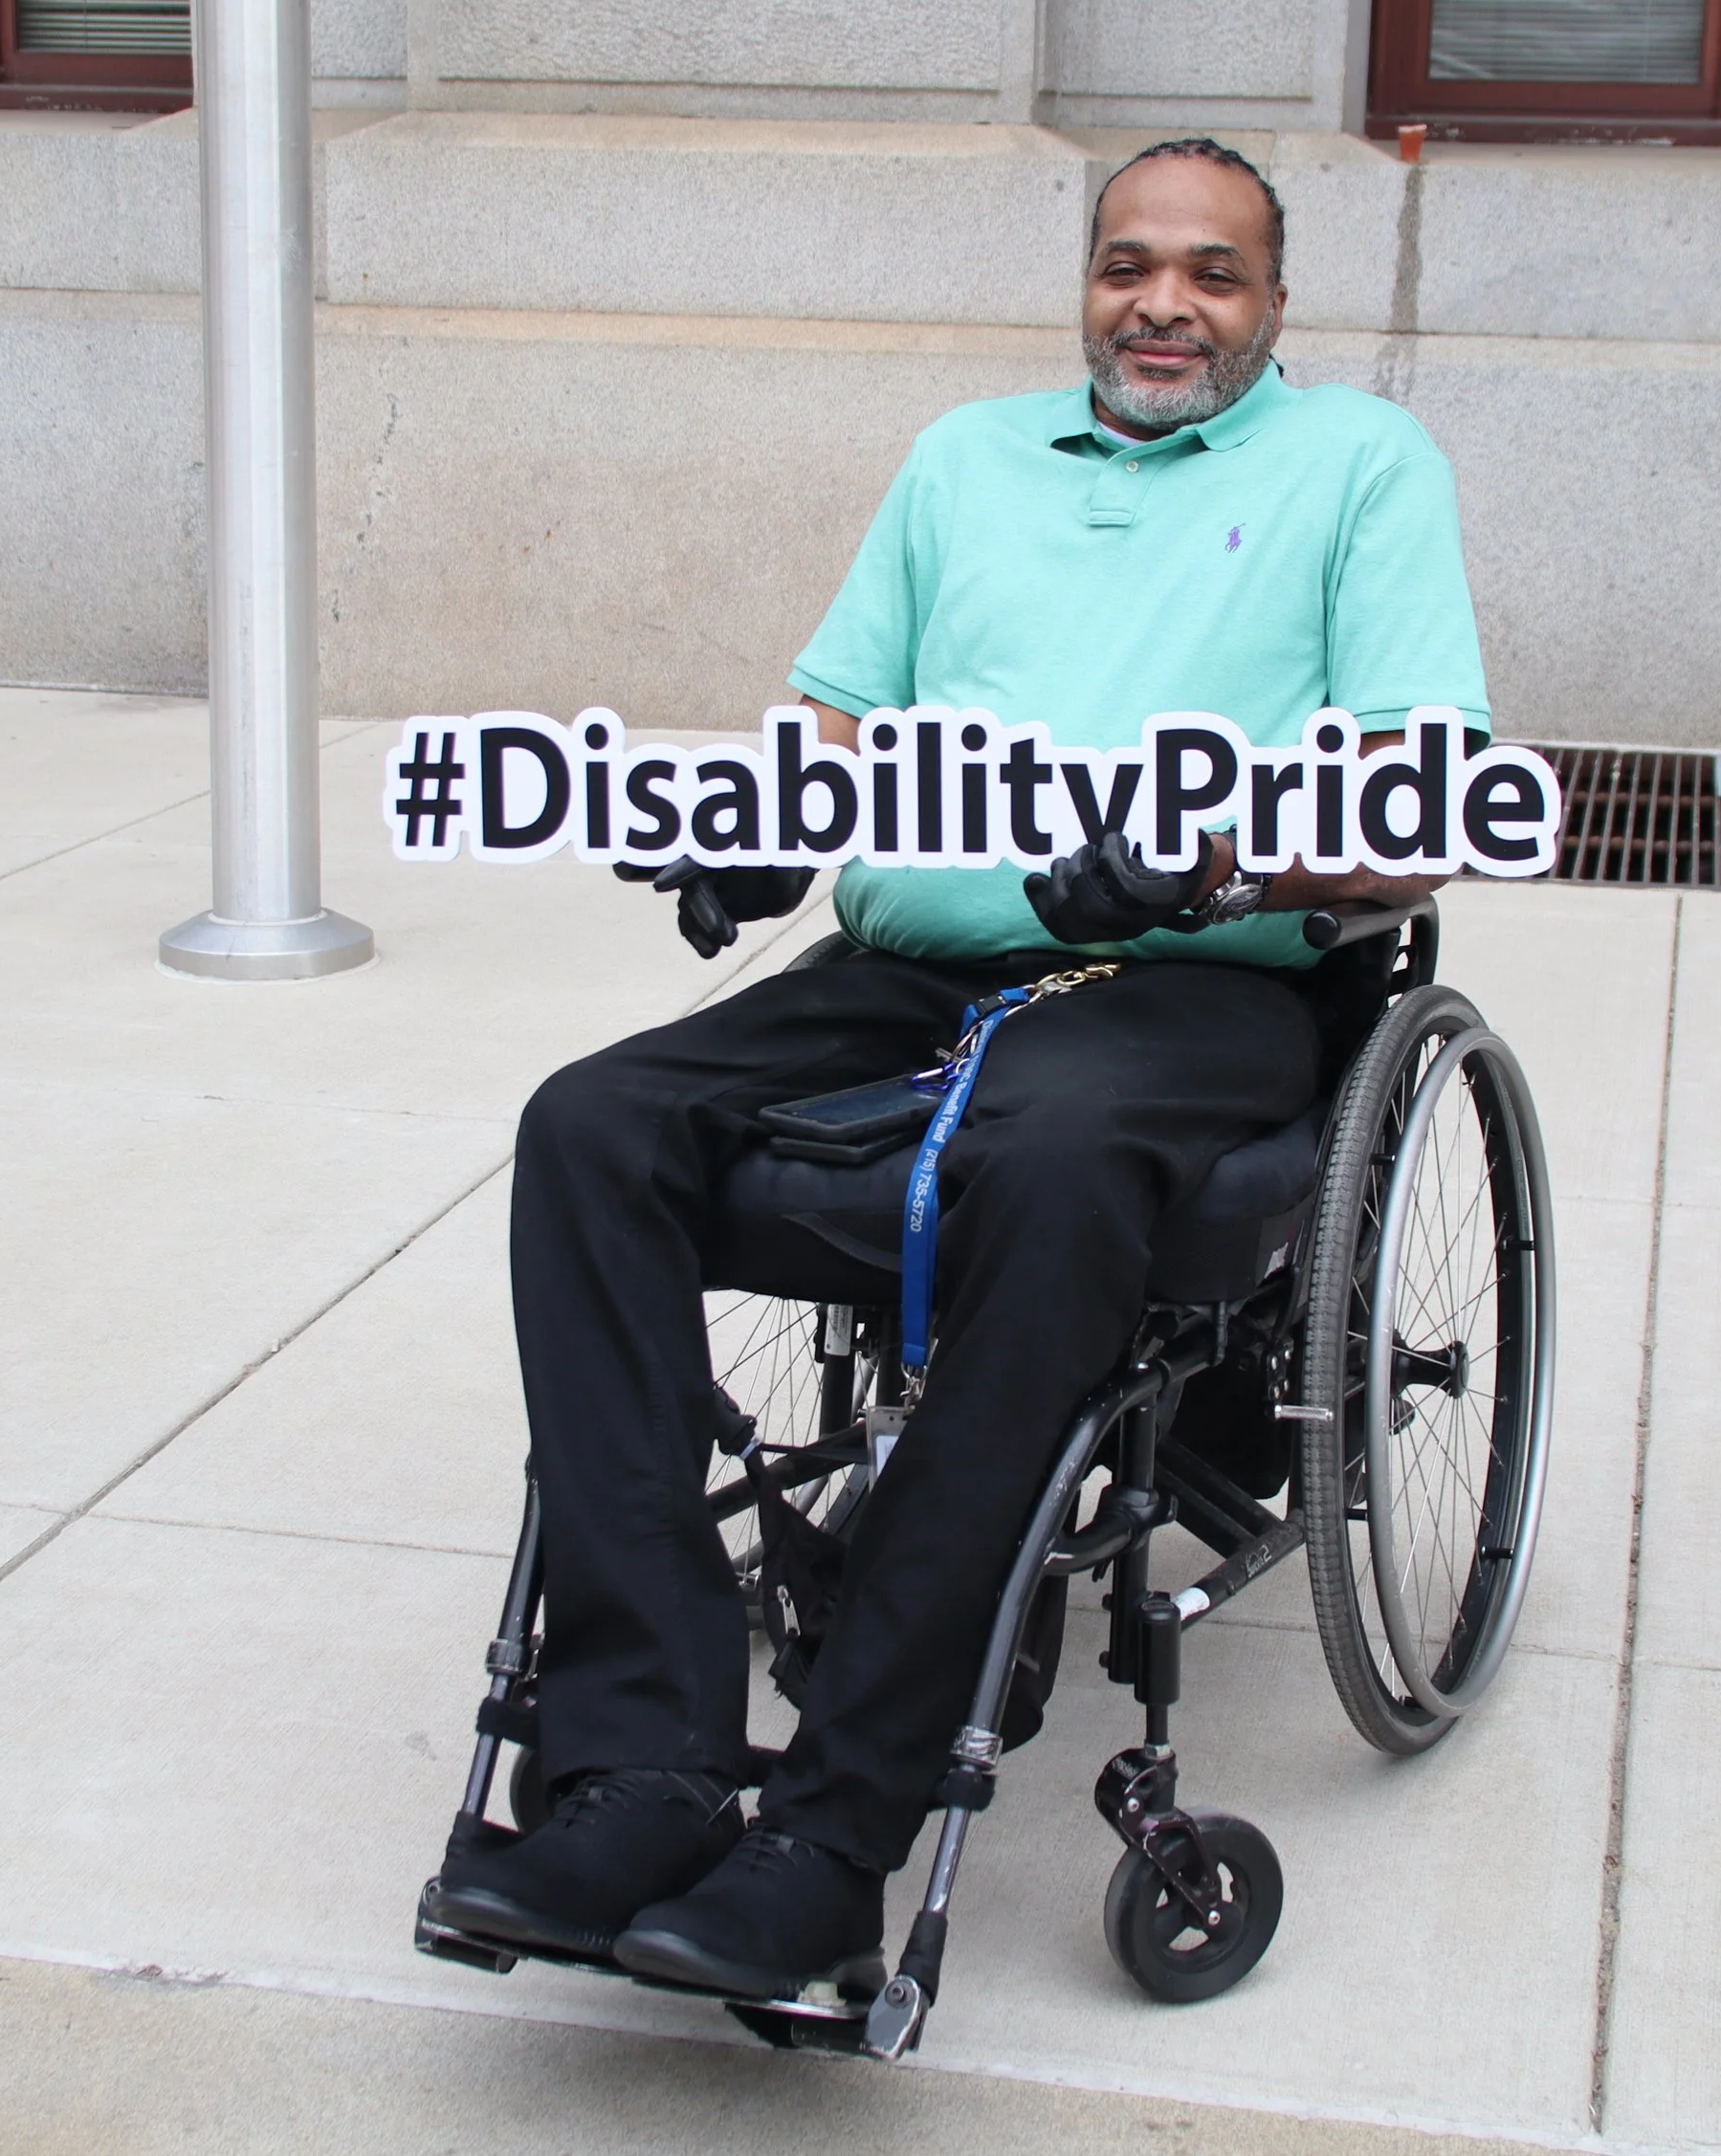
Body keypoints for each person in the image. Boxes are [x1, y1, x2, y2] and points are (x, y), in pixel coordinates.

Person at [424, 138, 1491, 2002]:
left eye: (1211, 273)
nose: (1162, 303)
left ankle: (836, 1832)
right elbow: (833, 722)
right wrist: (753, 825)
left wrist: (1219, 854)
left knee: (1049, 1156)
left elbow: (1411, 818)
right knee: (590, 1126)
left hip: (1193, 983)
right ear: (1086, 278)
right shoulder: (960, 460)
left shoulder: (1357, 470)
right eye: (1128, 264)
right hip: (910, 958)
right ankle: (632, 1760)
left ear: (1270, 301)